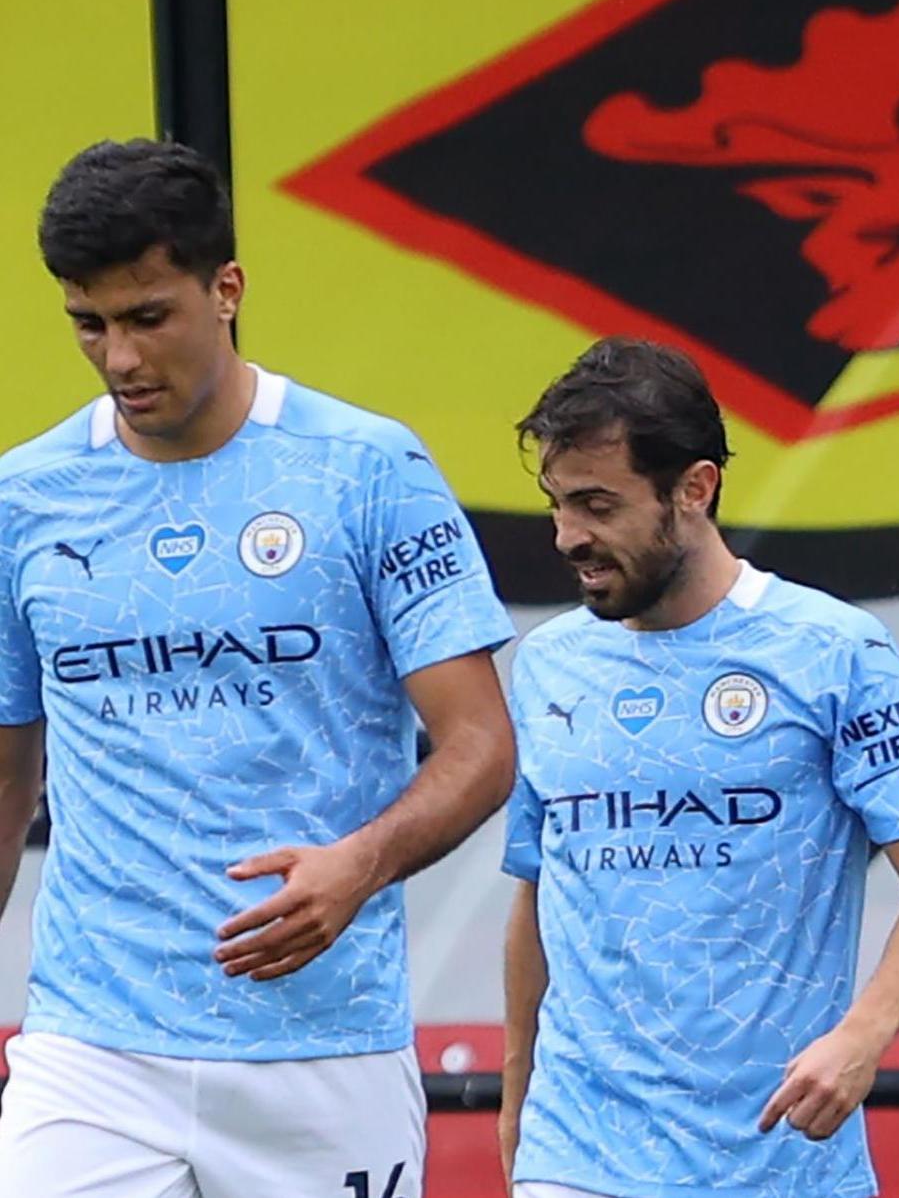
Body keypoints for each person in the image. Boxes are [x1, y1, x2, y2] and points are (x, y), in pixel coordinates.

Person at [0, 139, 518, 1198]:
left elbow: (481, 745)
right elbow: (7, 777)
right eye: (88, 324)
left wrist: (360, 864)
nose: (122, 358)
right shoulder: (24, 498)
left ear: (226, 288)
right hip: (92, 1048)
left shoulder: (370, 468)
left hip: (322, 1044)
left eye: (149, 316)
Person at [498, 337, 899, 1198]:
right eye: (557, 504)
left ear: (694, 489)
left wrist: (862, 1036)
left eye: (597, 505)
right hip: (578, 1159)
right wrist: (515, 1100)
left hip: (780, 1163)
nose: (568, 535)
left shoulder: (834, 649)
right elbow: (540, 892)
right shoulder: (546, 663)